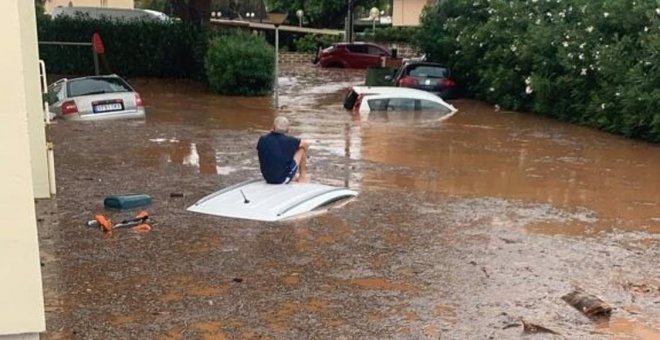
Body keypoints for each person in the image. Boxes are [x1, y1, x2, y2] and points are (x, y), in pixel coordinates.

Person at [257, 116, 309, 184]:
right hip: (282, 180)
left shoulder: (262, 139)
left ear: (273, 127)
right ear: (287, 130)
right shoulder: (291, 141)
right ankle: (302, 177)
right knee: (302, 148)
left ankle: (284, 172)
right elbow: (305, 144)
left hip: (267, 178)